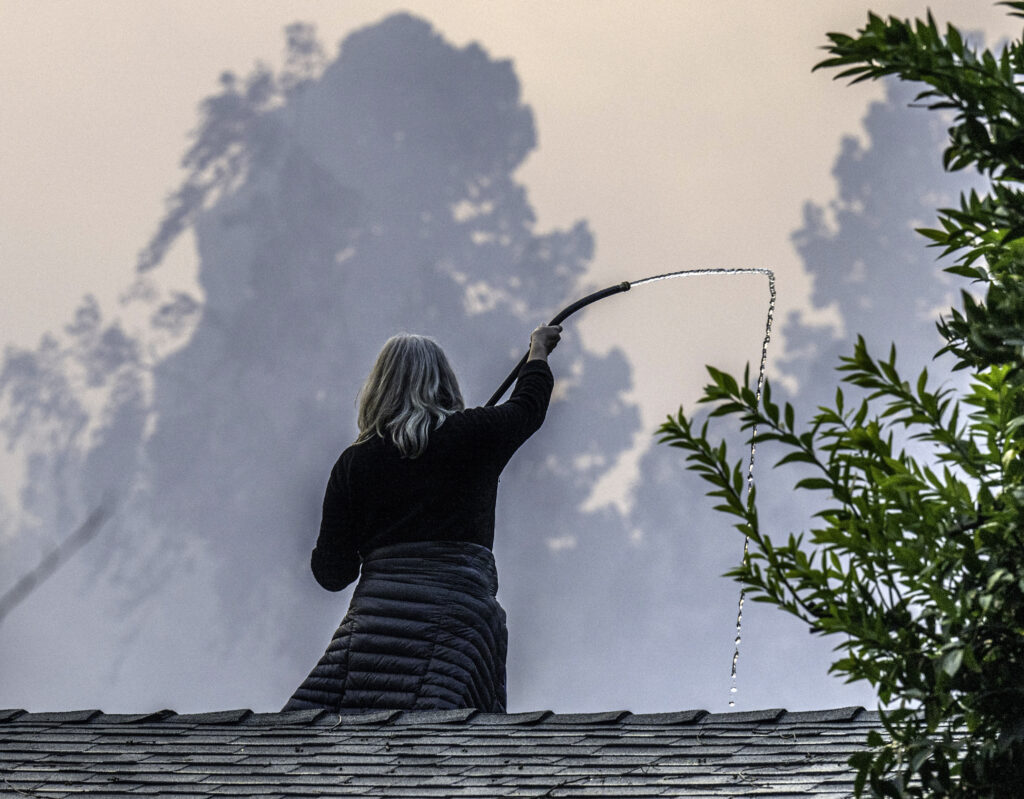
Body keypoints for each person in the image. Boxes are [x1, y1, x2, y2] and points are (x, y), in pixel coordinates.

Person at [283, 324, 562, 713]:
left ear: (378, 387)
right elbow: (527, 407)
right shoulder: (472, 435)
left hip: (372, 633)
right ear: (444, 382)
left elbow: (333, 574)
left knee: (316, 734)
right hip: (459, 624)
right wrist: (538, 352)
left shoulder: (354, 463)